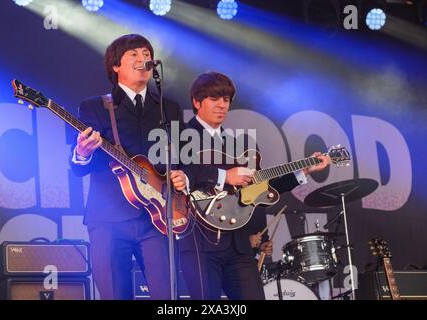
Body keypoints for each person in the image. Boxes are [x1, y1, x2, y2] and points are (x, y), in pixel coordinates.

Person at [179, 71, 330, 300]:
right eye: (214, 99)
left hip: (238, 246)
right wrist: (224, 176)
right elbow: (177, 174)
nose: (222, 105)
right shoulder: (179, 135)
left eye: (226, 100)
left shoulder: (238, 144)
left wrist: (304, 170)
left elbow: (260, 187)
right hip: (200, 242)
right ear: (196, 102)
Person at [70, 34, 194, 299]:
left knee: (168, 296)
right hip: (109, 218)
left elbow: (184, 158)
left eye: (146, 54)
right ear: (116, 66)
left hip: (159, 217)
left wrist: (183, 176)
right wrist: (81, 152)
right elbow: (80, 168)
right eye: (134, 54)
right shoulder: (95, 107)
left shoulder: (168, 108)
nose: (143, 59)